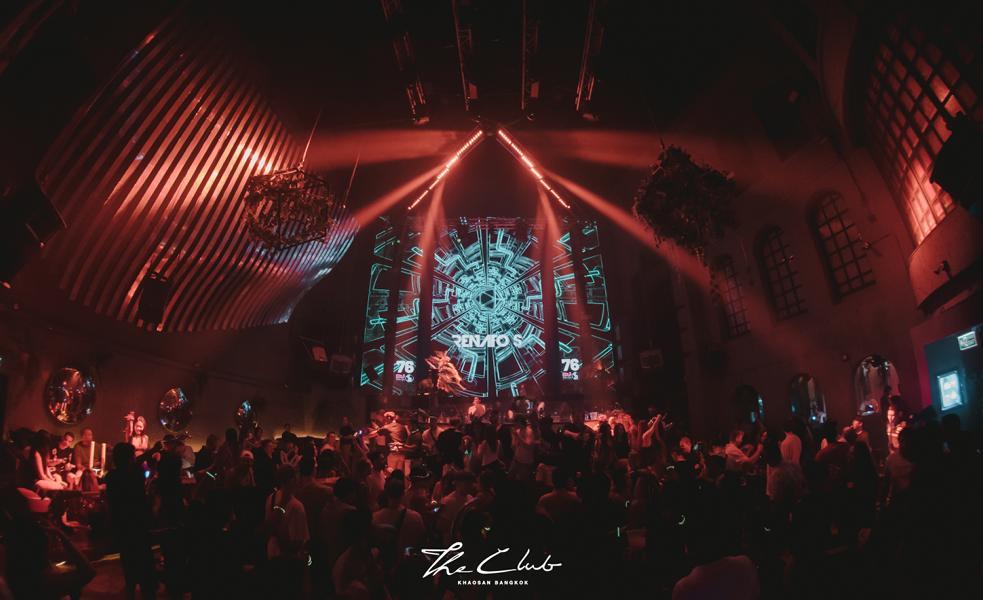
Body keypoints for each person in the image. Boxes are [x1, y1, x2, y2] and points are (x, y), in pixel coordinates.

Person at [105, 442, 158, 599]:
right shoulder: (136, 473)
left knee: (127, 555)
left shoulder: (112, 476)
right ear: (130, 458)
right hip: (138, 519)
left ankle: (131, 586)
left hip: (121, 521)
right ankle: (147, 588)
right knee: (143, 554)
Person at [263, 465, 309, 599]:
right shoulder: (297, 506)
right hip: (290, 559)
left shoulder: (271, 498)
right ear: (292, 480)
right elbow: (299, 539)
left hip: (272, 551)